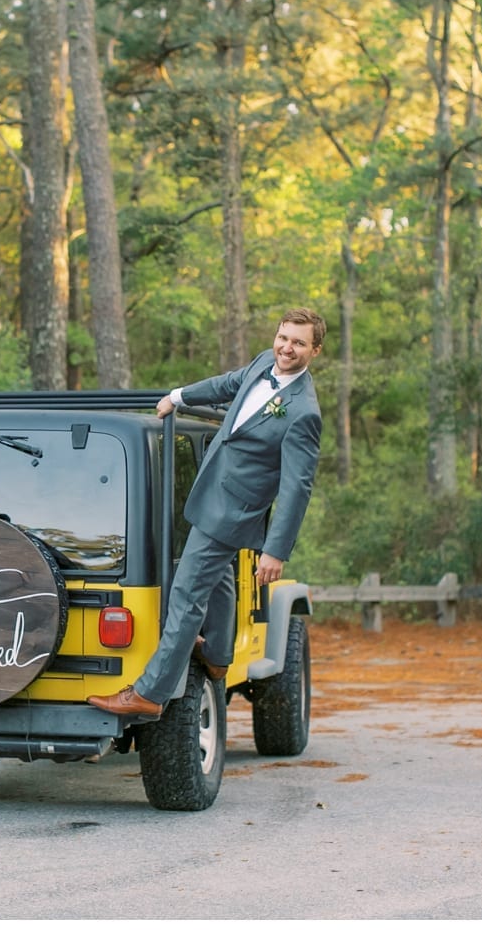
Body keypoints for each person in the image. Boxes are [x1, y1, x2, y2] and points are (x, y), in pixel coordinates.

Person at [88, 307, 325, 719]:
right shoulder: (264, 362)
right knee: (220, 580)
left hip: (234, 510)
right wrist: (177, 397)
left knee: (187, 593)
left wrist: (275, 550)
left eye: (299, 343)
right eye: (283, 337)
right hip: (213, 491)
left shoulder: (304, 412)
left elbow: (296, 487)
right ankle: (217, 653)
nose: (287, 347)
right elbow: (228, 383)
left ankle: (150, 692)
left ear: (315, 350)